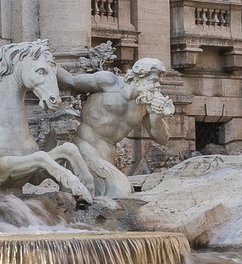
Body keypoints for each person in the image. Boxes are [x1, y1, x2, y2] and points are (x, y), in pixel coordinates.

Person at [56, 58, 175, 197]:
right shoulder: (109, 82)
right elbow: (70, 81)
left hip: (109, 156)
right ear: (138, 76)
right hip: (84, 146)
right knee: (121, 190)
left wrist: (157, 115)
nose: (157, 86)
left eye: (158, 81)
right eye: (153, 80)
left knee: (89, 199)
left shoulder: (145, 105)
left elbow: (162, 139)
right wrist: (49, 63)